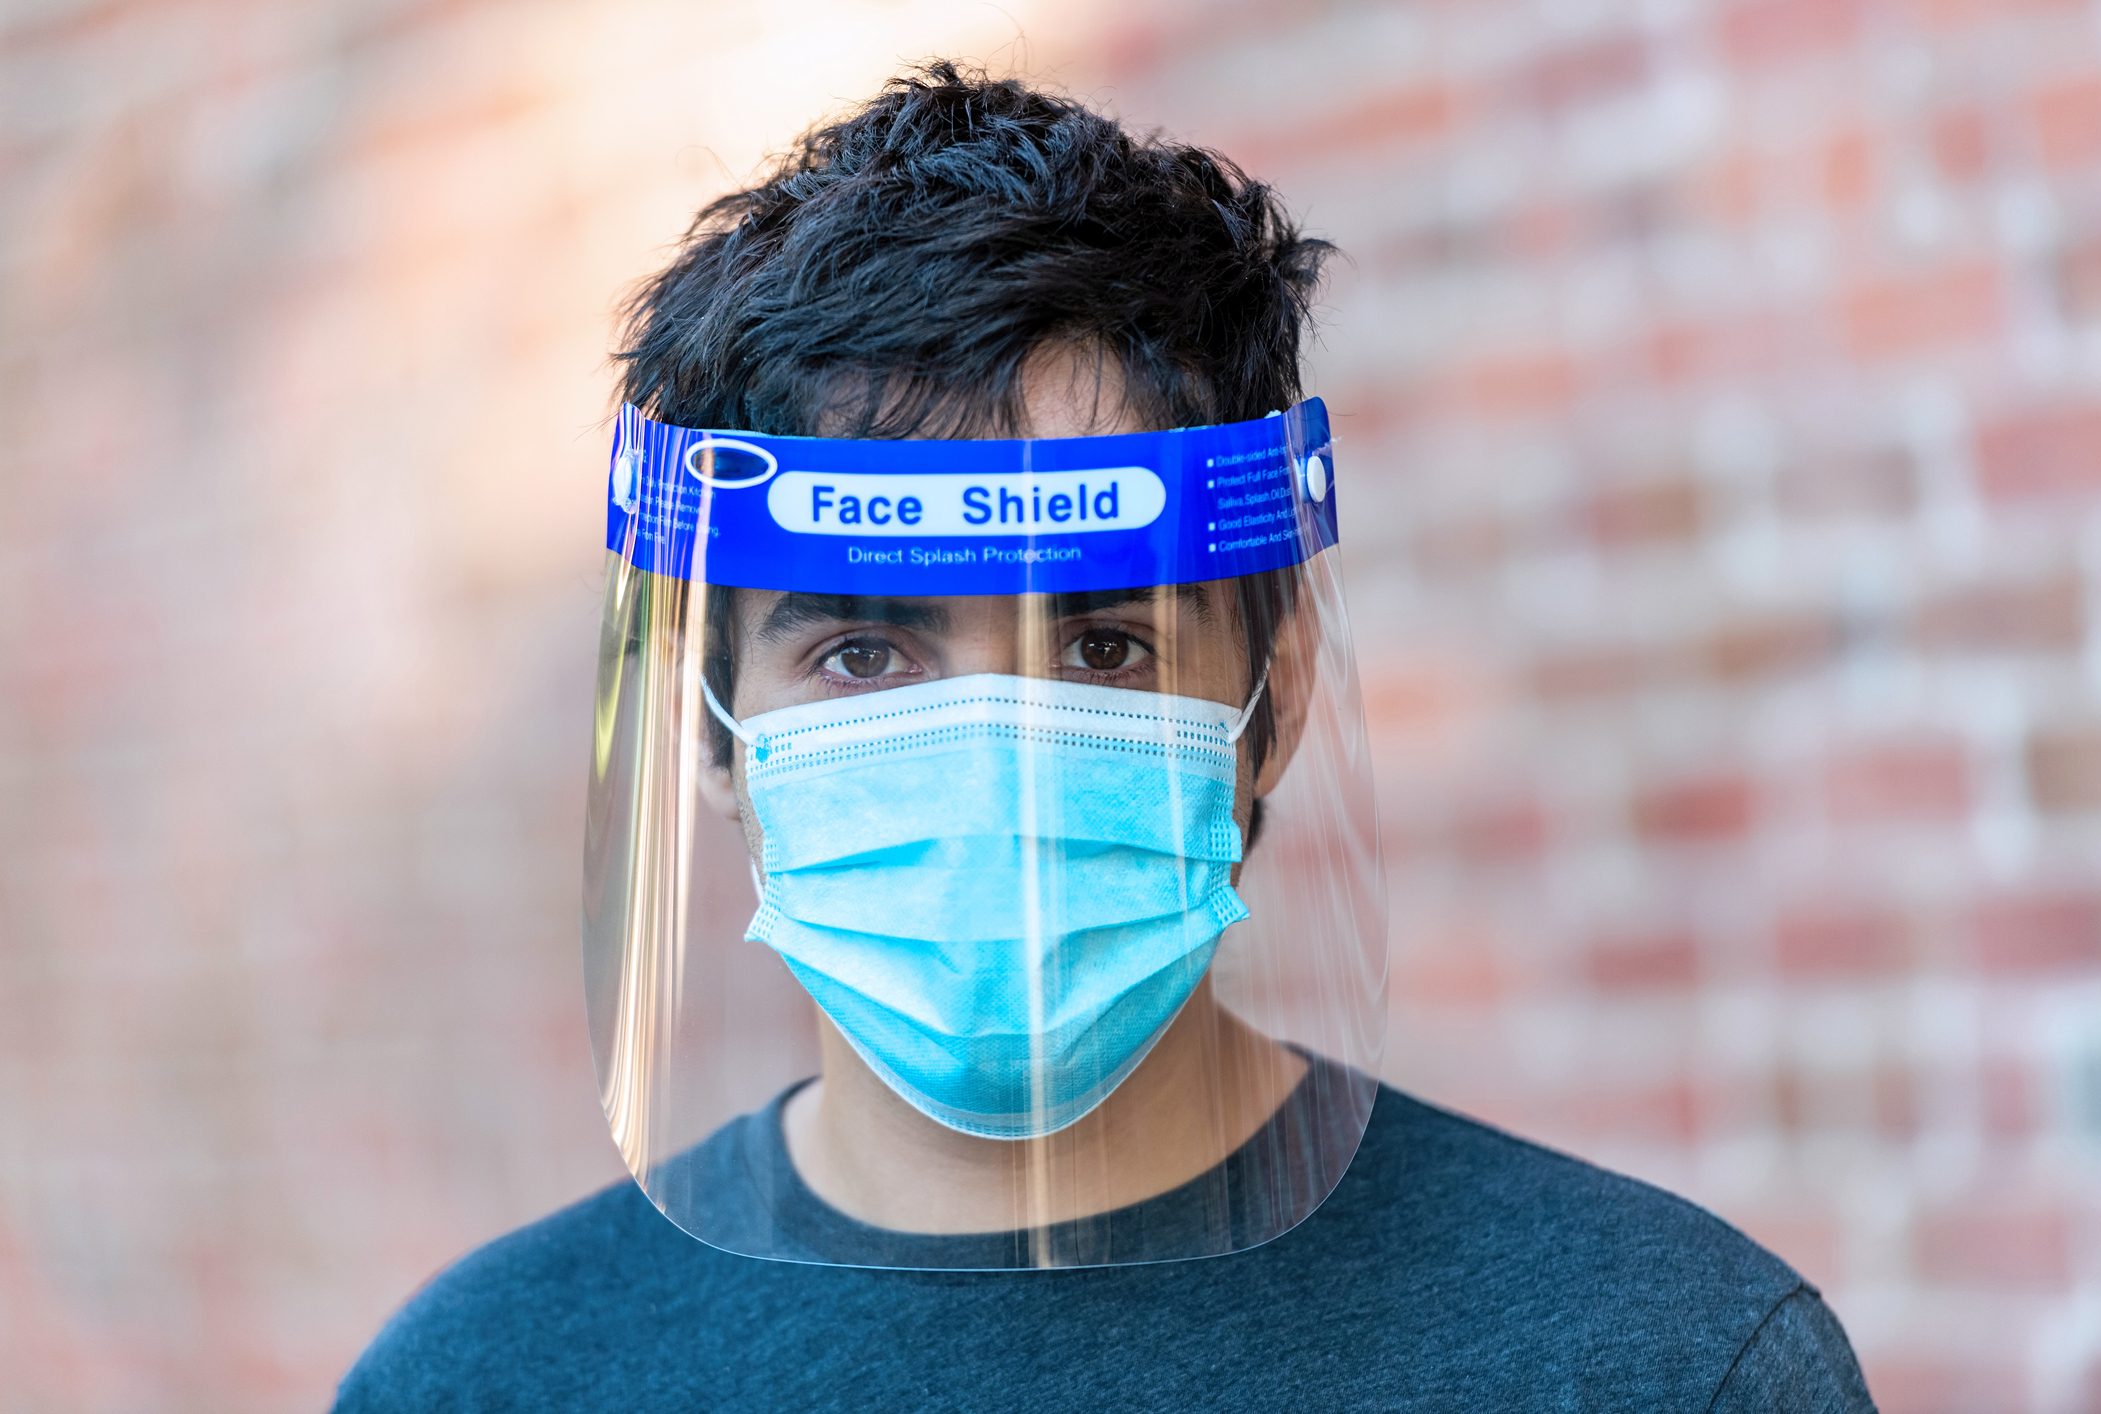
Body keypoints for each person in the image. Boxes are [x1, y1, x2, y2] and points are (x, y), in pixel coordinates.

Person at [338, 62, 1874, 1411]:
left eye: (1103, 644)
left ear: (1266, 706)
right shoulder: (485, 1381)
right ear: (717, 724)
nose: (993, 749)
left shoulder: (1651, 1361)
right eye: (863, 649)